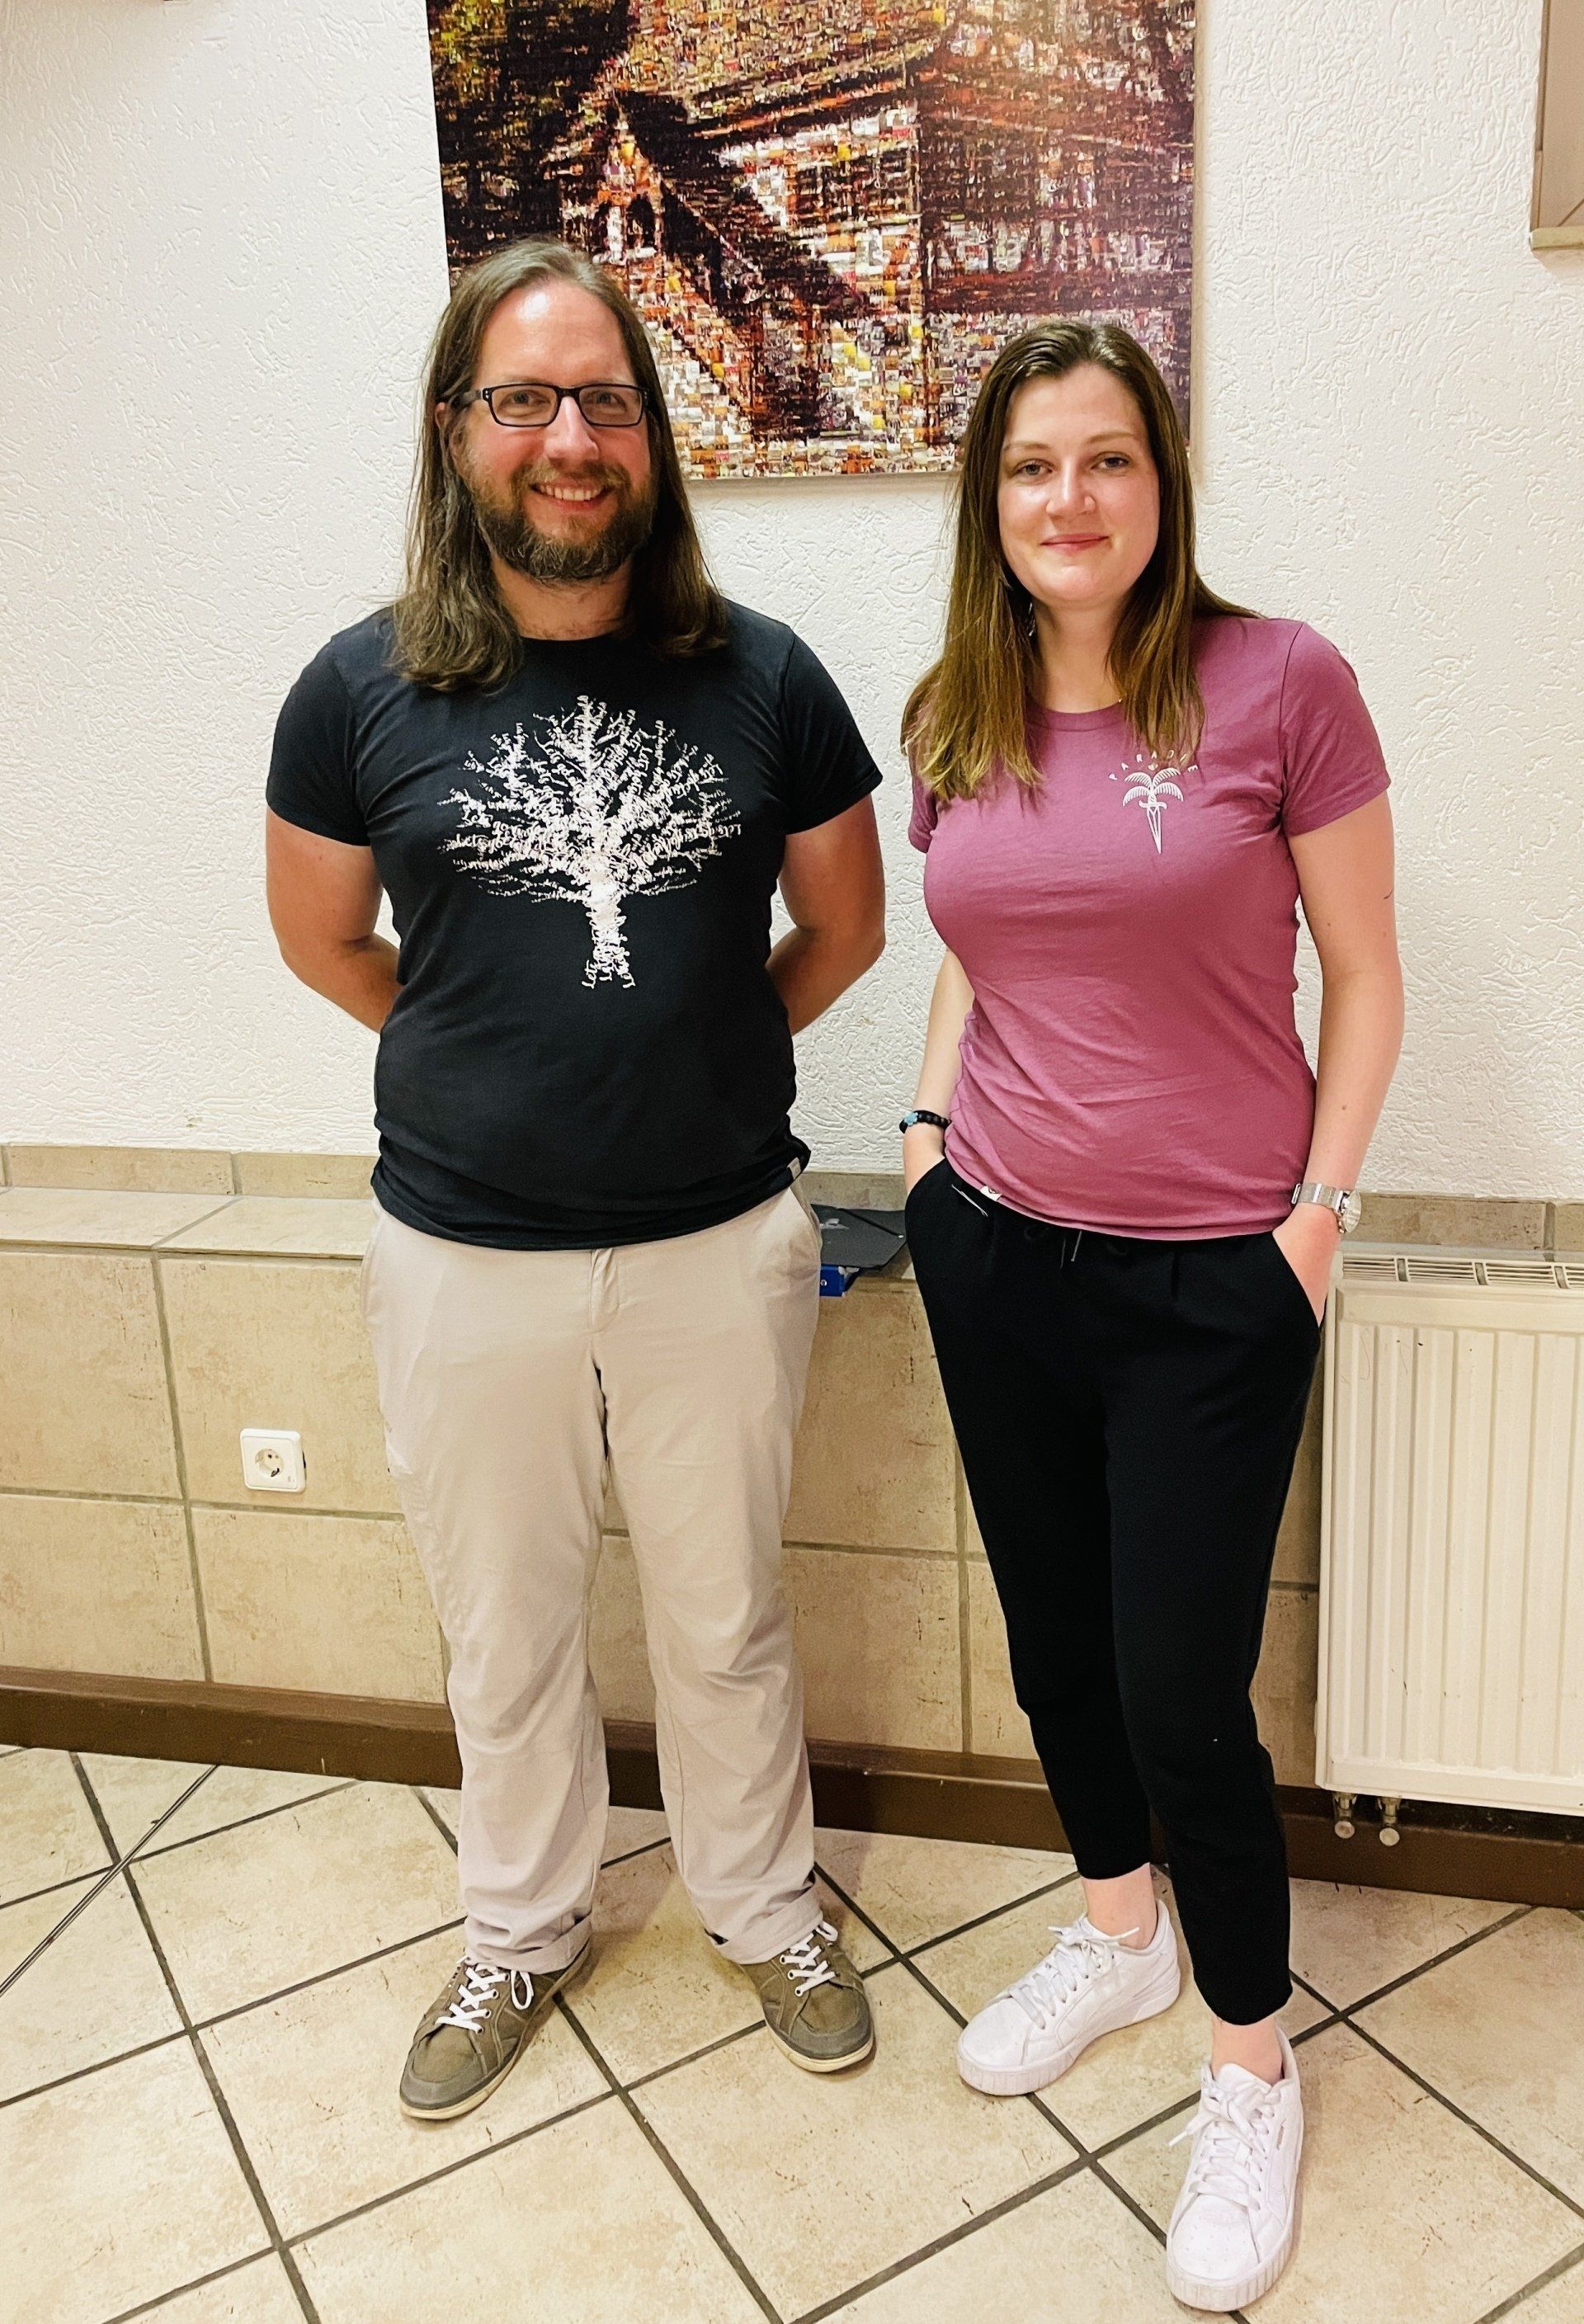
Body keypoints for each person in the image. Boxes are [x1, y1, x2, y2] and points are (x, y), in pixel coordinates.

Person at [265, 238, 886, 2116]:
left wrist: (700, 1052)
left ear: (651, 436)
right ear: (456, 429)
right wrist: (489, 1055)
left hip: (720, 1242)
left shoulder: (764, 674)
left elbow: (845, 928)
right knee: (506, 1626)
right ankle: (520, 1929)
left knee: (724, 1612)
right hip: (463, 1256)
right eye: (524, 399)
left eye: (605, 399)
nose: (569, 437)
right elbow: (326, 943)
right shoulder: (355, 689)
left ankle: (764, 1904)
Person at [898, 321, 1402, 2312]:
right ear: (992, 500)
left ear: (1161, 482)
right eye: (1033, 464)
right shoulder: (958, 704)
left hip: (1215, 1278)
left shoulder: (1283, 682)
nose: (1072, 498)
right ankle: (1122, 1932)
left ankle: (1250, 2059)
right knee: (1055, 1648)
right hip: (1000, 1249)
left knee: (1182, 1688)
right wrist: (927, 1135)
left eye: (1108, 457)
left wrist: (1315, 1222)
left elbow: (1364, 973)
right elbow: (979, 944)